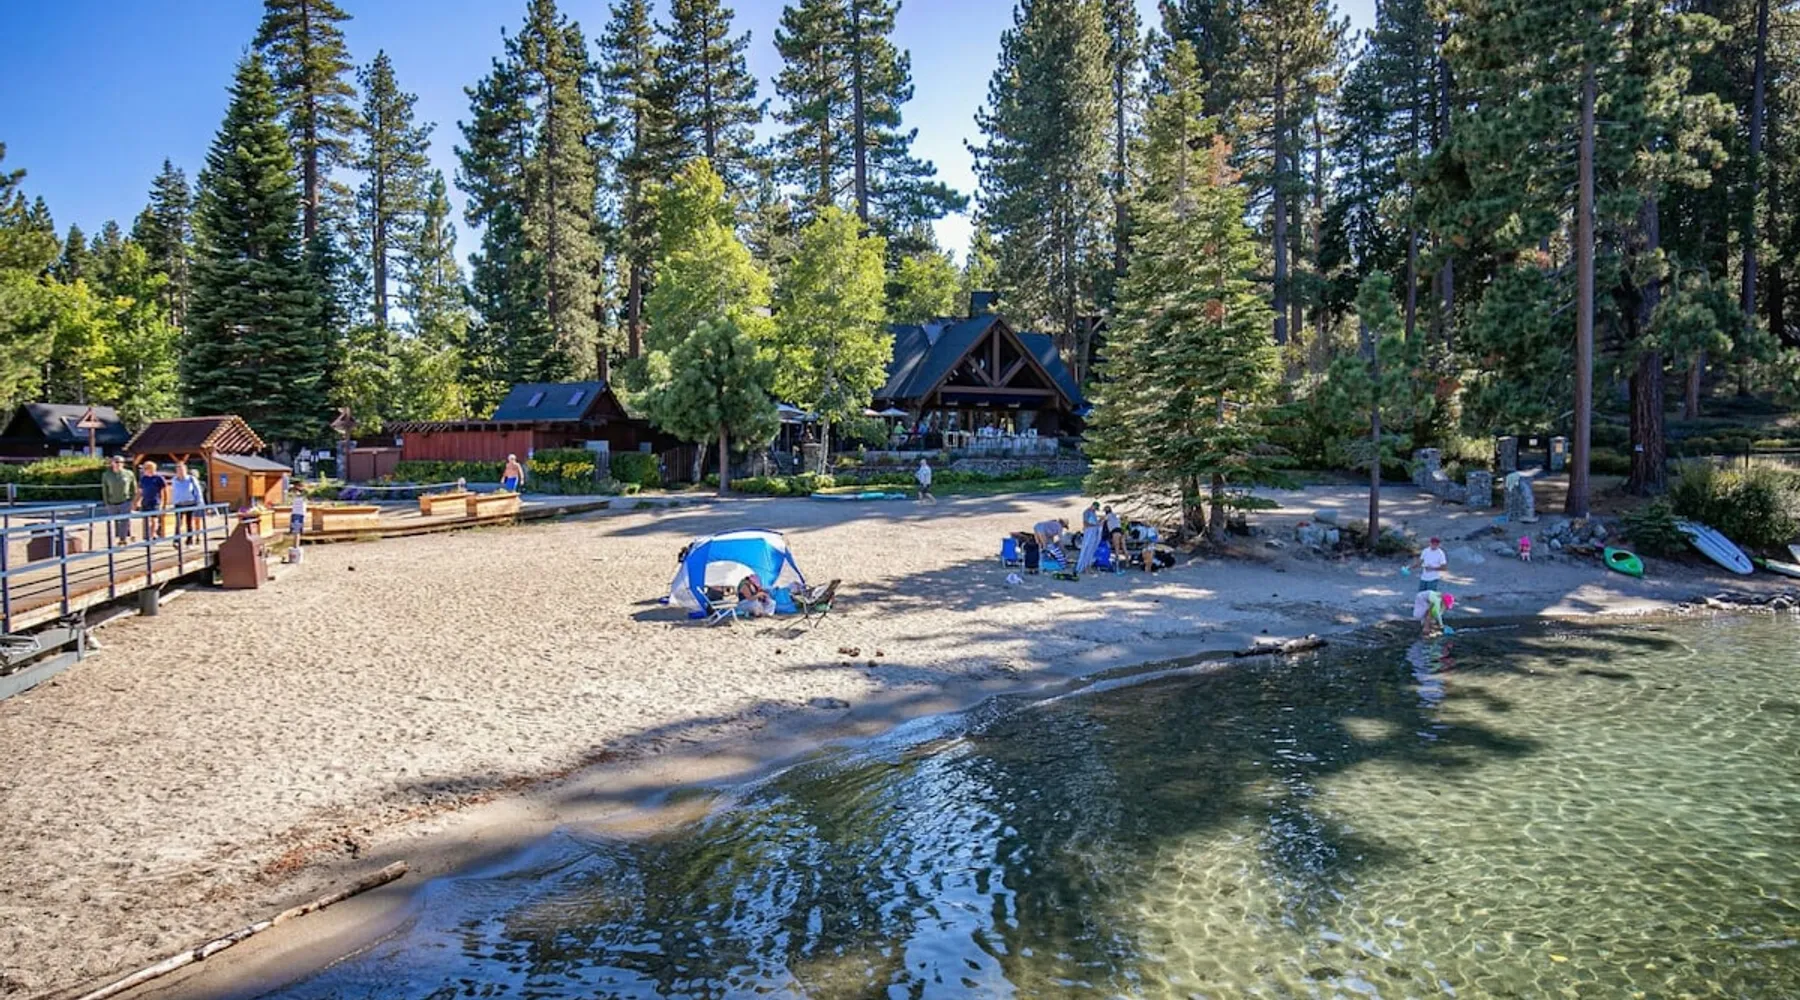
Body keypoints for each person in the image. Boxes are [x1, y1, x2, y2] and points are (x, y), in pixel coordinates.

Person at [101, 455, 137, 545]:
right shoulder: (106, 475)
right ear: (112, 463)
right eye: (116, 462)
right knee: (114, 522)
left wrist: (133, 501)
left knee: (124, 521)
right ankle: (116, 539)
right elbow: (105, 489)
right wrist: (106, 503)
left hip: (125, 501)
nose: (119, 464)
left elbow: (134, 488)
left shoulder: (129, 473)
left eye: (121, 462)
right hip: (112, 502)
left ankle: (123, 539)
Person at [169, 461, 205, 537]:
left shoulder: (191, 479)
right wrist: (172, 502)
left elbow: (197, 490)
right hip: (179, 503)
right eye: (178, 470)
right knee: (178, 522)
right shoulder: (174, 480)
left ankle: (189, 539)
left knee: (189, 522)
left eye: (182, 470)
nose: (180, 472)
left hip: (190, 503)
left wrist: (199, 502)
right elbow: (174, 491)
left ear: (185, 470)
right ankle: (177, 539)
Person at [137, 460, 167, 539]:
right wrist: (137, 501)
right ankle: (147, 535)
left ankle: (153, 534)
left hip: (155, 501)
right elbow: (140, 491)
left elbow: (164, 491)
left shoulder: (159, 478)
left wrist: (163, 503)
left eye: (146, 468)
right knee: (145, 520)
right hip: (145, 501)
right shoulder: (143, 478)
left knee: (154, 519)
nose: (144, 470)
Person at [1076, 501, 1102, 575]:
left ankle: (1088, 566)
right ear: (1093, 506)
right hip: (1089, 533)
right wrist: (1096, 525)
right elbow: (1086, 524)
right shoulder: (1086, 512)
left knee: (1091, 550)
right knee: (1086, 549)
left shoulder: (1093, 513)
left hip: (1093, 533)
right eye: (1095, 508)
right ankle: (1084, 567)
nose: (1095, 510)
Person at [1104, 505, 1125, 573]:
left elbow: (1102, 522)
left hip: (1115, 532)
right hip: (1120, 531)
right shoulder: (1115, 515)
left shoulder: (1108, 516)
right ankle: (1126, 563)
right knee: (1123, 547)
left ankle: (1117, 566)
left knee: (1116, 548)